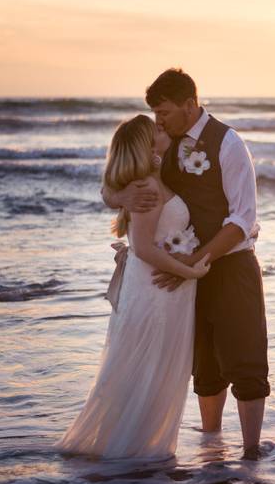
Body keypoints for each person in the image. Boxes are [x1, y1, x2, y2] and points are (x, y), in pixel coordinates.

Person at [103, 68, 270, 459]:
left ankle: (251, 453)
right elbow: (117, 180)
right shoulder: (163, 145)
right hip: (185, 275)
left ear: (190, 105)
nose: (158, 121)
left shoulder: (228, 145)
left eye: (164, 112)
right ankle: (211, 445)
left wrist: (195, 261)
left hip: (229, 266)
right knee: (205, 366)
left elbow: (242, 219)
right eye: (156, 114)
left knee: (244, 359)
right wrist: (120, 199)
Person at [55, 114, 209, 460]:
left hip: (162, 289)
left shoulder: (153, 176)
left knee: (154, 369)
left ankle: (140, 449)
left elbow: (116, 197)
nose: (162, 127)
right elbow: (143, 247)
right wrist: (191, 272)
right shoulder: (145, 187)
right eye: (155, 128)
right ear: (147, 145)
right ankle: (134, 455)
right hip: (156, 290)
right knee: (147, 368)